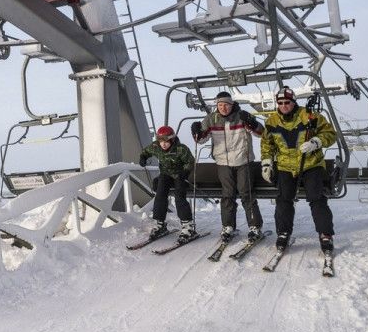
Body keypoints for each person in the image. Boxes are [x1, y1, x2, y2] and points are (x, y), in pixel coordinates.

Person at [260, 86, 336, 252]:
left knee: (316, 198)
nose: (284, 105)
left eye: (287, 102)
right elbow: (267, 144)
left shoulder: (310, 117)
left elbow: (330, 134)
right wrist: (266, 163)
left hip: (310, 164)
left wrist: (316, 142)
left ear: (294, 102)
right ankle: (283, 232)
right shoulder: (272, 121)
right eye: (280, 103)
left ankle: (325, 234)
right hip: (285, 166)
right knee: (284, 199)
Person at [191, 91, 265, 243]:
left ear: (232, 105)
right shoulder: (212, 119)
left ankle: (255, 227)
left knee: (246, 193)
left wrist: (251, 123)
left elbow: (261, 133)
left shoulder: (242, 115)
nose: (223, 108)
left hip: (243, 161)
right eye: (220, 105)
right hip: (223, 162)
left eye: (226, 105)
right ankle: (228, 226)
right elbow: (201, 140)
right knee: (227, 195)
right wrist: (196, 132)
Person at [139, 125, 197, 244]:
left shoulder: (181, 149)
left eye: (166, 141)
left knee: (179, 197)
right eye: (161, 141)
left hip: (179, 175)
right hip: (165, 174)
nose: (163, 144)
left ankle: (188, 227)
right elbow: (146, 151)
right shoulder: (156, 146)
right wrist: (143, 157)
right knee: (160, 196)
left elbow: (190, 162)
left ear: (172, 140)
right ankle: (159, 224)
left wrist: (185, 172)